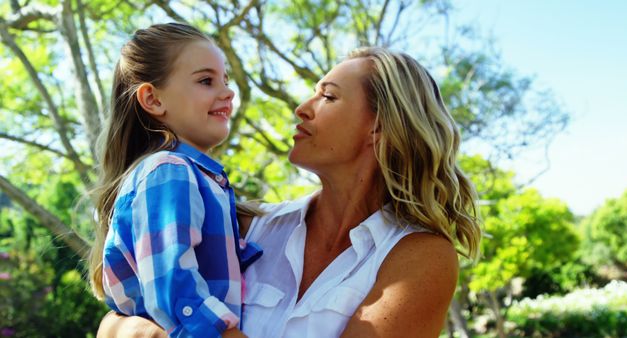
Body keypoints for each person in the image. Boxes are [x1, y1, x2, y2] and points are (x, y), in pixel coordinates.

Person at [97, 46, 482, 338]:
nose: (302, 108)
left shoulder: (420, 257)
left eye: (328, 97)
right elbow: (123, 313)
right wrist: (130, 329)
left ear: (378, 127)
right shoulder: (248, 228)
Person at [88, 23, 262, 338]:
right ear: (153, 100)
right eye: (206, 81)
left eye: (225, 79)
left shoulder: (197, 178)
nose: (228, 91)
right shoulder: (169, 170)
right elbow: (173, 285)